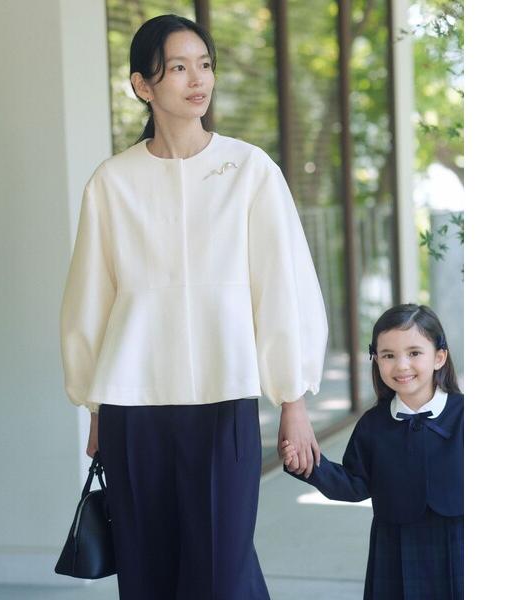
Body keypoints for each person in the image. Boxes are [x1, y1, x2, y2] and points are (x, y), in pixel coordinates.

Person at [59, 13, 328, 600]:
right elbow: (89, 302)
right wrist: (95, 407)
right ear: (142, 85)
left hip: (224, 399)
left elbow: (282, 287)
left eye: (204, 65)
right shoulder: (112, 182)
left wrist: (293, 399)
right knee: (148, 573)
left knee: (221, 571)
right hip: (132, 408)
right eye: (177, 67)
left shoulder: (250, 170)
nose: (197, 79)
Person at [281, 304, 463, 599]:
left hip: (459, 542)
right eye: (388, 355)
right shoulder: (373, 424)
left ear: (439, 357)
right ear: (376, 360)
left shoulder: (465, 414)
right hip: (394, 546)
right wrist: (309, 465)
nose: (401, 365)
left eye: (414, 353)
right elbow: (354, 484)